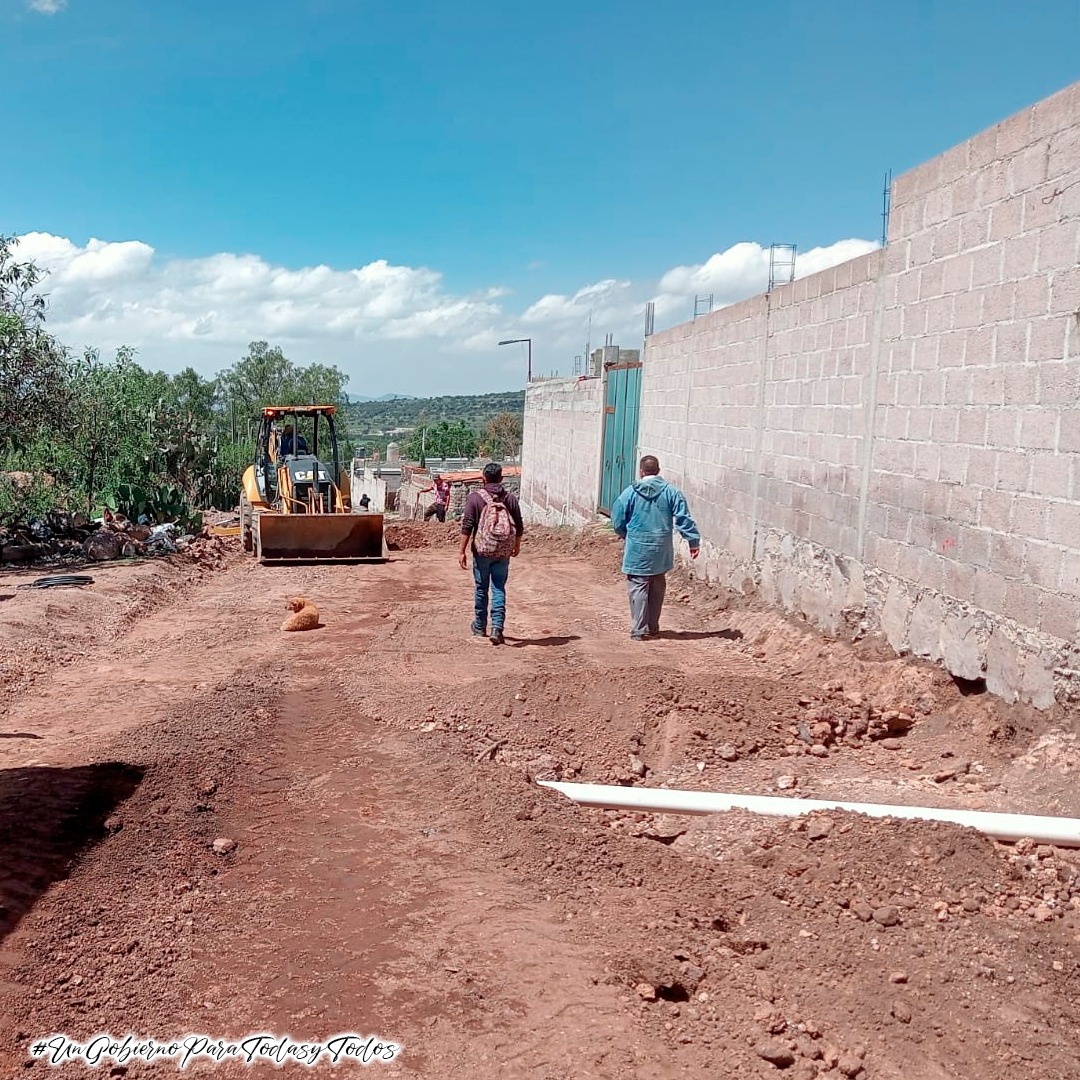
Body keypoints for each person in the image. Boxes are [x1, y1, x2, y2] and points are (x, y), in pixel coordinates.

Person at [611, 455, 700, 641]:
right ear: (658, 471)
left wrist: (625, 534)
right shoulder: (672, 492)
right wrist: (693, 541)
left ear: (641, 471)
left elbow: (618, 518)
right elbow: (683, 518)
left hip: (637, 547)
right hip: (661, 548)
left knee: (638, 586)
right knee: (657, 585)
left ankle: (639, 629)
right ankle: (653, 627)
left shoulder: (630, 493)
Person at [459, 463, 523, 646]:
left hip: (482, 551)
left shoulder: (474, 498)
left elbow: (467, 525)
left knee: (481, 588)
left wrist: (461, 551)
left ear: (483, 478)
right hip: (503, 551)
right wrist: (516, 545)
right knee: (498, 588)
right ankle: (497, 628)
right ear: (501, 478)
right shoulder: (510, 498)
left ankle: (479, 626)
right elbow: (519, 524)